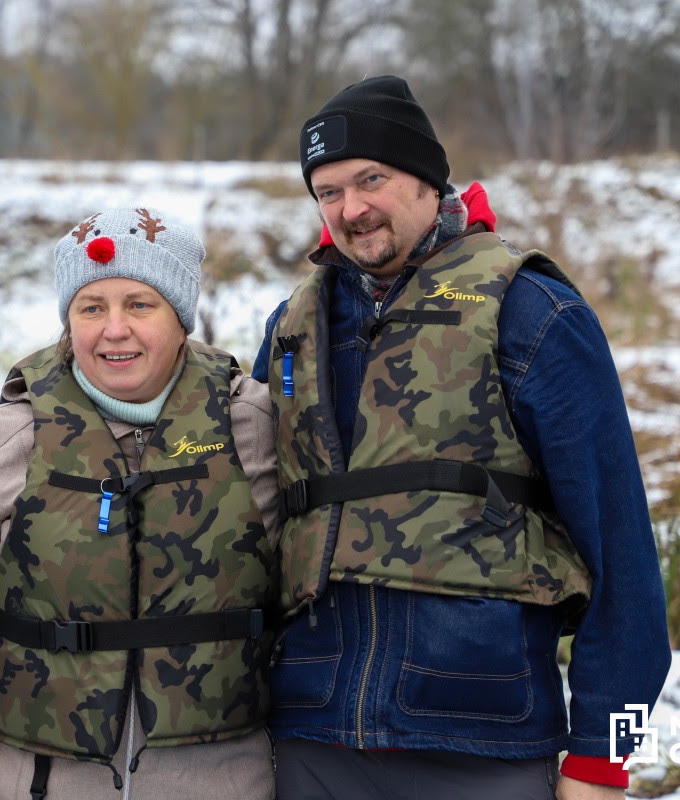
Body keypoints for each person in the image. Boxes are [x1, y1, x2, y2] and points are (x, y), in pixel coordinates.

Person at [251, 75, 671, 800]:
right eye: (328, 192)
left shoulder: (534, 313)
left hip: (485, 745)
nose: (351, 209)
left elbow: (625, 560)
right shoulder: (294, 327)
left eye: (371, 179)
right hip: (311, 739)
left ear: (425, 175)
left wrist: (605, 759)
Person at [0, 207, 280, 800]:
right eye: (91, 308)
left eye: (140, 304)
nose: (114, 329)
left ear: (181, 317)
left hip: (223, 782)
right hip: (34, 783)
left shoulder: (253, 426)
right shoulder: (7, 439)